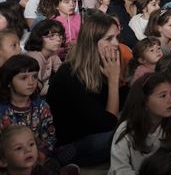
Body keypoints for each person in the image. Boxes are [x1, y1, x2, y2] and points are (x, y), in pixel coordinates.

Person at [48, 13, 123, 166]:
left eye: (116, 37)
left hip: (96, 135)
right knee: (120, 135)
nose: (116, 44)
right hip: (72, 144)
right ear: (92, 42)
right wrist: (114, 81)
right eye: (109, 39)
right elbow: (107, 124)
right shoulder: (70, 74)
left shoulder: (102, 66)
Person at [109, 72, 171, 175]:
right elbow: (120, 170)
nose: (170, 100)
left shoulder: (170, 126)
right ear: (144, 101)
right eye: (163, 96)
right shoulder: (126, 130)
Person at [0, 54, 56, 158]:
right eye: (23, 78)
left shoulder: (42, 106)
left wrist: (41, 155)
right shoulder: (2, 111)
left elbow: (50, 137)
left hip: (38, 157)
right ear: (9, 82)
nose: (31, 82)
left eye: (34, 76)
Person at [23, 19, 63, 95]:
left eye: (60, 35)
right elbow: (35, 89)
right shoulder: (35, 57)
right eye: (51, 36)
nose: (58, 39)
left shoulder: (52, 53)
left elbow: (62, 72)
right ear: (39, 37)